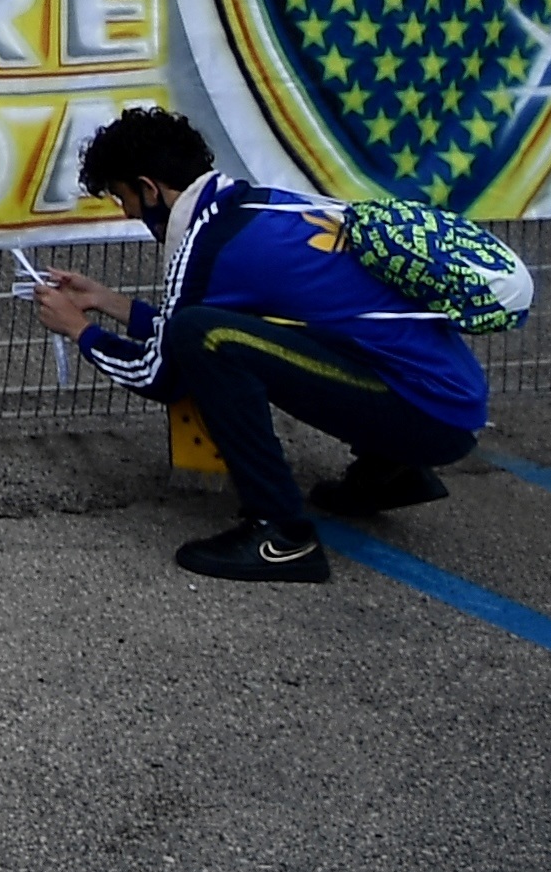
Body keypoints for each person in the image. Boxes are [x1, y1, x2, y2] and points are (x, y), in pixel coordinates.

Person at [29, 105, 489, 584]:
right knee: (221, 328)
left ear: (149, 188)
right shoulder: (254, 206)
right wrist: (110, 302)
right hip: (451, 401)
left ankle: (281, 535)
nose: (126, 213)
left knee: (205, 336)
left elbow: (161, 373)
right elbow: (200, 318)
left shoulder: (205, 244)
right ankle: (387, 472)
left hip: (429, 416)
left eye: (122, 197)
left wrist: (80, 332)